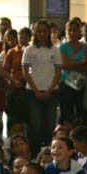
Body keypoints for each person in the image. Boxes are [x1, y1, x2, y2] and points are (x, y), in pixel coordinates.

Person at [22, 20, 62, 156]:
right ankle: (34, 154)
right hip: (33, 91)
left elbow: (58, 72)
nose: (42, 34)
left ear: (49, 32)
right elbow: (25, 72)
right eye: (39, 31)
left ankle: (47, 153)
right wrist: (36, 91)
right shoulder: (29, 50)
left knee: (49, 124)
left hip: (52, 91)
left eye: (45, 31)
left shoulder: (55, 50)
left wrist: (49, 90)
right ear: (35, 32)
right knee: (35, 124)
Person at [58, 20, 87, 127]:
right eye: (70, 30)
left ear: (79, 32)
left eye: (75, 30)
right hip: (65, 84)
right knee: (67, 114)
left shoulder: (85, 47)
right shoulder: (62, 47)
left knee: (80, 114)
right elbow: (64, 65)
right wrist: (81, 62)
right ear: (66, 32)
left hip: (81, 84)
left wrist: (73, 63)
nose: (72, 33)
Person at [4, 27, 31, 134]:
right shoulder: (12, 52)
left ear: (29, 38)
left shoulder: (32, 50)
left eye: (25, 37)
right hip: (14, 86)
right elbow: (4, 70)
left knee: (25, 117)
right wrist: (12, 80)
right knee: (12, 118)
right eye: (21, 36)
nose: (22, 39)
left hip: (28, 87)